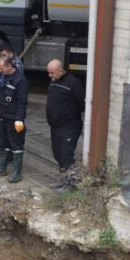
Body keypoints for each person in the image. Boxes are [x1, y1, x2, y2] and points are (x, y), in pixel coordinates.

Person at [0, 56, 29, 183]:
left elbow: (22, 101)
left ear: (9, 66)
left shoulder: (20, 80)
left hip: (13, 118)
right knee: (2, 142)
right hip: (1, 116)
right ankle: (0, 167)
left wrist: (19, 119)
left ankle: (16, 174)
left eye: (1, 68)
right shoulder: (2, 76)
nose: (0, 71)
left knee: (16, 144)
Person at [45, 59, 85, 189]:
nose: (49, 75)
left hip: (69, 125)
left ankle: (71, 184)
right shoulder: (54, 81)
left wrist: (68, 113)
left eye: (51, 73)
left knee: (66, 155)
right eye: (48, 72)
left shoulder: (73, 82)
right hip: (55, 126)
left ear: (60, 71)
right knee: (58, 154)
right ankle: (63, 179)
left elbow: (81, 103)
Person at [0, 45, 24, 156]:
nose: (2, 57)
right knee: (0, 128)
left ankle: (8, 153)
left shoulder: (16, 65)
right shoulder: (2, 66)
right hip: (0, 101)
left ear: (10, 53)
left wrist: (19, 118)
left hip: (9, 104)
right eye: (1, 55)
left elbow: (17, 91)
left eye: (4, 55)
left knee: (9, 131)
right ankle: (2, 149)